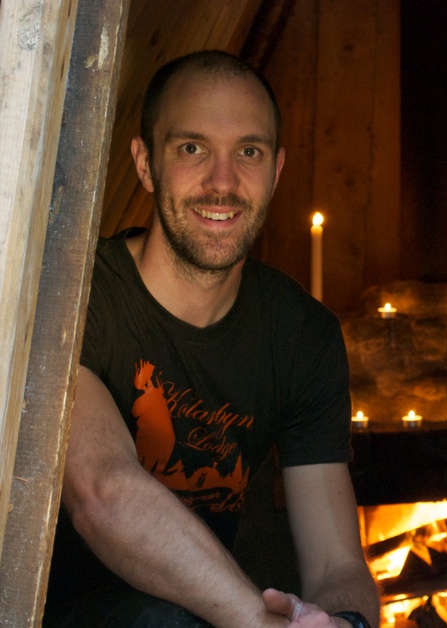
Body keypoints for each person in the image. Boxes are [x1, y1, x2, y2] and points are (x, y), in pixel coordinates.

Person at [44, 50, 380, 628]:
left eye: (247, 152)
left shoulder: (302, 336)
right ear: (146, 164)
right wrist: (260, 622)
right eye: (192, 148)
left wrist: (341, 623)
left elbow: (336, 563)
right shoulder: (76, 297)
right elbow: (102, 493)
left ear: (275, 172)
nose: (222, 183)